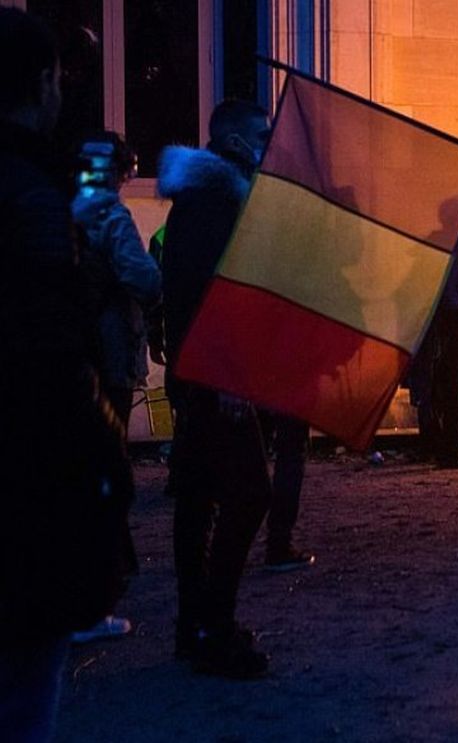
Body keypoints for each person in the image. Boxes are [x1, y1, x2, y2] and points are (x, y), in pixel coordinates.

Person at [0, 9, 133, 740]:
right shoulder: (36, 199)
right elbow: (53, 358)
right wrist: (107, 453)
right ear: (45, 84)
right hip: (27, 471)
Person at [158, 99, 274, 679]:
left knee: (200, 496)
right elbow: (212, 291)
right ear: (230, 139)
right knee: (250, 492)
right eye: (260, 133)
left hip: (197, 369)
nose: (267, 141)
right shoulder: (216, 197)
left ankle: (195, 627)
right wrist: (229, 373)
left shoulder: (204, 196)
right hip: (214, 373)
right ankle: (214, 625)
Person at [67, 130, 161, 644]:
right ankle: (94, 596)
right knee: (106, 473)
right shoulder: (109, 216)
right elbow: (142, 279)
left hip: (70, 358)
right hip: (109, 353)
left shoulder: (59, 206)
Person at [407, 202, 458, 469]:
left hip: (447, 324)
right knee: (450, 387)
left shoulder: (455, 247)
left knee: (441, 386)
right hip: (445, 323)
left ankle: (437, 445)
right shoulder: (446, 247)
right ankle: (450, 450)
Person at [259, 412, 314, 571]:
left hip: (260, 391)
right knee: (291, 454)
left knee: (256, 446)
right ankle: (279, 545)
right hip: (292, 395)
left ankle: (233, 542)